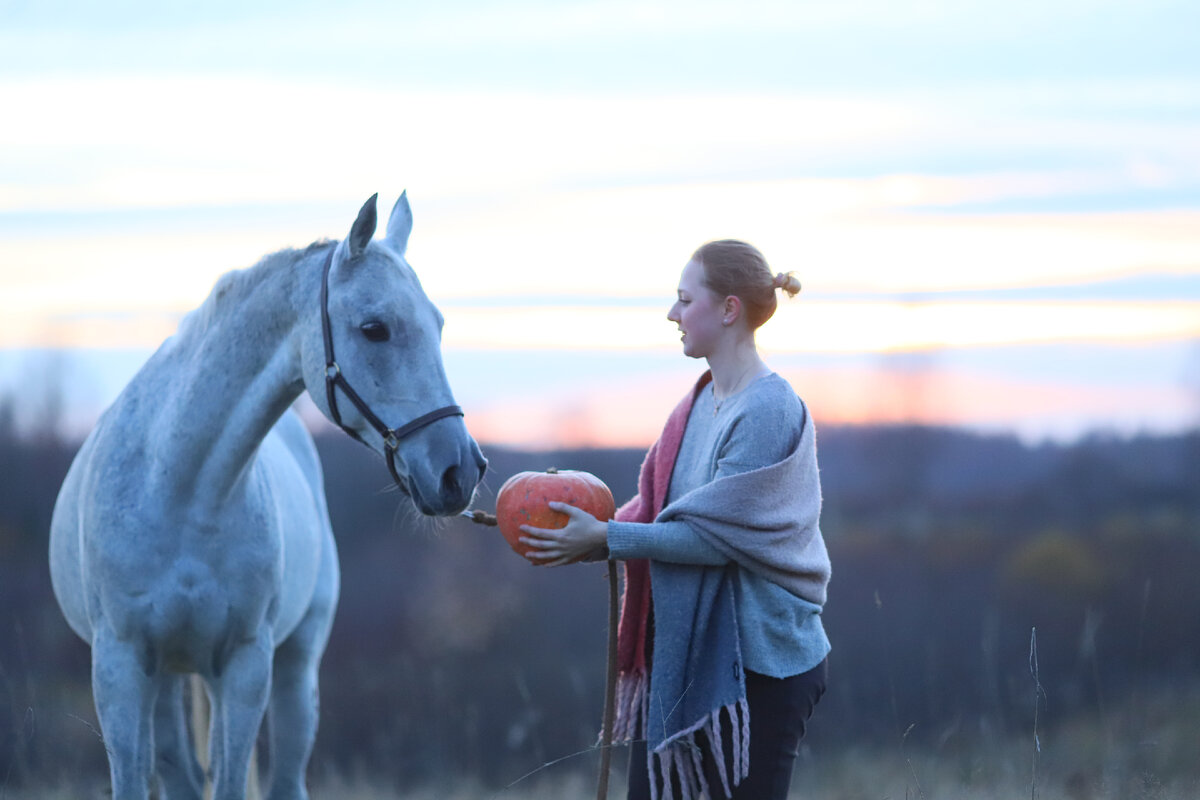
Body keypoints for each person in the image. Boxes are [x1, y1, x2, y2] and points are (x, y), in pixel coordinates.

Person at [519, 239, 832, 800]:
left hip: (761, 670)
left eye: (685, 300)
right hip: (687, 666)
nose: (672, 314)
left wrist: (609, 538)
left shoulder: (767, 410)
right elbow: (657, 509)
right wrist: (581, 526)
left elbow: (713, 540)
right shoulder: (699, 400)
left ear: (729, 309)